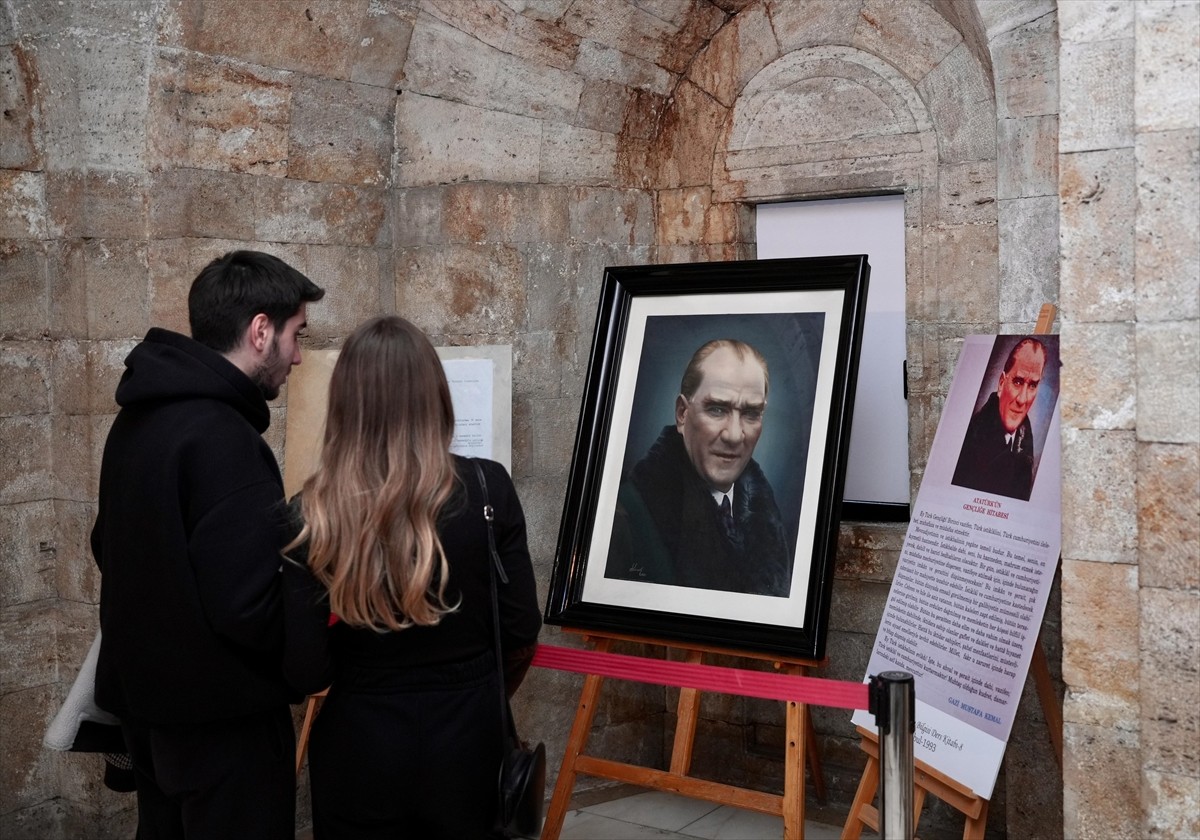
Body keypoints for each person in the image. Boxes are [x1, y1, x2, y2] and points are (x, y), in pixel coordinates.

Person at [90, 250, 325, 838]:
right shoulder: (224, 438)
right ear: (260, 330)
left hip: (151, 714)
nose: (298, 355)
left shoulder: (139, 419)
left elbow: (106, 545)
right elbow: (245, 604)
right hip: (224, 722)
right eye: (296, 335)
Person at [280, 315, 542, 839]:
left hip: (360, 743)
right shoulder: (489, 490)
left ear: (346, 406)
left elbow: (303, 672)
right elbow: (520, 631)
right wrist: (474, 690)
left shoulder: (310, 514)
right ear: (435, 396)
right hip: (469, 737)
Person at [605, 338, 794, 596]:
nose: (735, 435)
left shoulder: (769, 520)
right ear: (682, 413)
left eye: (751, 413)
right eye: (717, 409)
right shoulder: (626, 517)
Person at [951, 336, 1048, 501]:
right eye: (1017, 382)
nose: (1022, 399)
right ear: (1002, 383)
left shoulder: (1025, 432)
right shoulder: (971, 437)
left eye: (1032, 385)